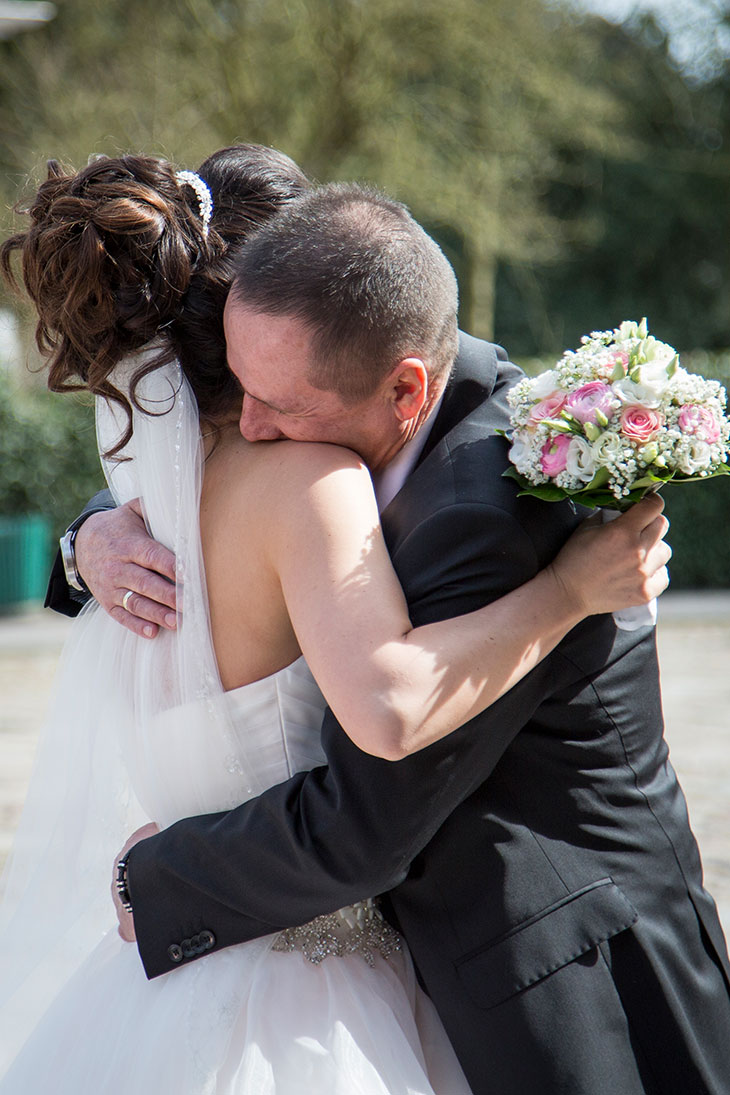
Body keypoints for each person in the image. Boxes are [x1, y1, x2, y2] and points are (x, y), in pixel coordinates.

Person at [0, 154, 668, 1093]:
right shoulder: (274, 474)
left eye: (287, 399)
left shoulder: (486, 473)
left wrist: (151, 880)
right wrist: (84, 543)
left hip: (527, 960)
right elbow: (386, 710)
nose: (267, 424)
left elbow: (368, 809)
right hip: (307, 988)